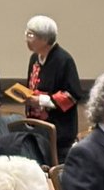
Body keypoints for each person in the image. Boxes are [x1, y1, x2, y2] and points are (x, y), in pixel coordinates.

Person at [24, 14, 83, 162]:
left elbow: (73, 94)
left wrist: (42, 101)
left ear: (44, 39)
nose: (27, 39)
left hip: (59, 129)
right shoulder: (34, 58)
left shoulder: (64, 60)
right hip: (36, 124)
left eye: (31, 35)